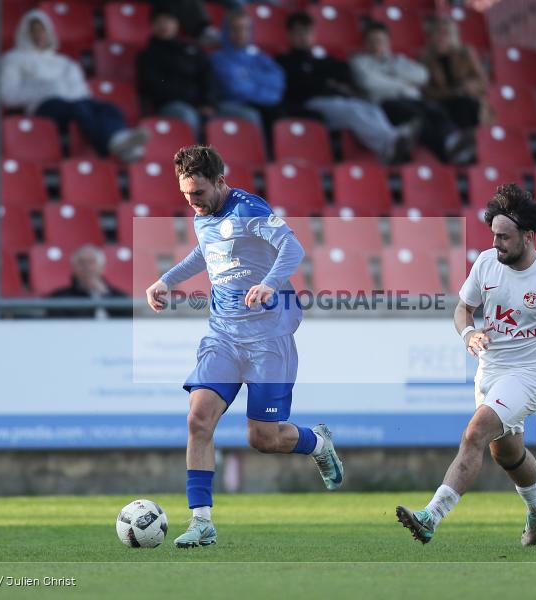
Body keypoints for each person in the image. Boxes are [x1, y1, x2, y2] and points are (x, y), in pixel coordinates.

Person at [144, 145, 344, 548]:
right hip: (222, 335)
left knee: (263, 438)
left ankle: (318, 443)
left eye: (197, 194)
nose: (191, 202)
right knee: (198, 419)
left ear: (220, 181)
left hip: (268, 340)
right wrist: (167, 279)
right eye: (185, 195)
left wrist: (269, 283)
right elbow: (205, 251)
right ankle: (201, 521)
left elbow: (294, 248)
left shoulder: (249, 209)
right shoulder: (204, 215)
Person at [396, 183, 536, 547]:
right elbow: (462, 311)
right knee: (505, 452)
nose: (496, 243)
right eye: (493, 235)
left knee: (476, 431)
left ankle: (431, 515)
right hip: (489, 372)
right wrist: (468, 334)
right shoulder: (487, 263)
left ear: (528, 235)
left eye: (504, 237)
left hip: (528, 377)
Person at [0, 9, 148, 162]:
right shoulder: (13, 59)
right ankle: (112, 144)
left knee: (109, 108)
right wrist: (45, 88)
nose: (38, 36)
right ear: (24, 33)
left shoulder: (65, 62)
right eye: (33, 31)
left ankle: (122, 140)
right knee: (81, 109)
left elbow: (82, 92)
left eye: (42, 31)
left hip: (75, 102)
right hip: (44, 105)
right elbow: (8, 95)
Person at [277, 11, 418, 164]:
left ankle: (392, 138)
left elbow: (344, 71)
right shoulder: (285, 61)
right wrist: (324, 78)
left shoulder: (320, 58)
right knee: (353, 111)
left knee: (371, 108)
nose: (304, 37)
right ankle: (388, 146)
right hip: (313, 103)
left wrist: (320, 76)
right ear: (289, 35)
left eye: (308, 32)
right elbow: (300, 86)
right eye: (299, 33)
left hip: (338, 100)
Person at [350, 21, 468, 163]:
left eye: (380, 40)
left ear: (388, 42)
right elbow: (369, 83)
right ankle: (447, 151)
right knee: (418, 118)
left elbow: (422, 75)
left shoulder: (397, 60)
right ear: (365, 43)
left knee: (435, 110)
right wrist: (403, 83)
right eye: (372, 41)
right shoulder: (359, 61)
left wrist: (390, 73)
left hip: (413, 101)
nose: (376, 44)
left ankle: (453, 141)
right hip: (385, 104)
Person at [209, 9, 286, 146]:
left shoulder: (260, 56)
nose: (241, 34)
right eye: (236, 29)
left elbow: (277, 82)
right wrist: (261, 84)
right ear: (227, 30)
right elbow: (235, 89)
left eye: (246, 29)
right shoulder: (218, 58)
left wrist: (248, 77)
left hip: (261, 103)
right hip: (231, 104)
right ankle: (262, 159)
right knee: (253, 115)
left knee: (281, 113)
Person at [136, 9, 216, 139]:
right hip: (169, 105)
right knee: (187, 115)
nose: (164, 26)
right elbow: (153, 87)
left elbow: (206, 77)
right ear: (152, 26)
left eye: (168, 21)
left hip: (200, 104)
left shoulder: (191, 49)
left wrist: (208, 103)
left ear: (177, 24)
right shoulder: (147, 55)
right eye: (159, 22)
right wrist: (195, 103)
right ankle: (195, 158)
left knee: (245, 115)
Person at [420, 17, 490, 130]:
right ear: (430, 37)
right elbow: (426, 91)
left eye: (445, 33)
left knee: (468, 104)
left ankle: (472, 139)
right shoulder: (425, 61)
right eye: (437, 33)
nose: (441, 38)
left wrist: (468, 86)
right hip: (443, 103)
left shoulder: (465, 53)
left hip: (469, 99)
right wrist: (452, 93)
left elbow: (482, 81)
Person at [48, 244, 128, 318]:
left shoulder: (119, 297)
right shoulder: (59, 298)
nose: (87, 267)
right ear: (74, 268)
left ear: (102, 268)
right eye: (81, 263)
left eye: (91, 262)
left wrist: (105, 295)